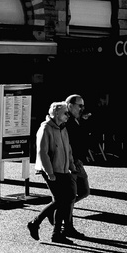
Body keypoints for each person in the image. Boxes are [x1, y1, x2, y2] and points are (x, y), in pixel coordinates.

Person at [26, 101, 79, 244]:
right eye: (65, 113)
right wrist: (50, 173)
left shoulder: (63, 128)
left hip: (63, 169)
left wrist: (72, 167)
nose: (68, 115)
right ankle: (44, 227)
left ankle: (46, 229)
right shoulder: (45, 128)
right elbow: (42, 153)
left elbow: (68, 149)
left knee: (67, 198)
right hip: (51, 170)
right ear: (56, 113)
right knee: (62, 200)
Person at [64, 94, 92, 233]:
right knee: (71, 194)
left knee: (84, 191)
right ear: (70, 105)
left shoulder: (77, 119)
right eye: (79, 105)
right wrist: (72, 161)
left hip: (78, 161)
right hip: (72, 162)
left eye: (83, 106)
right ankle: (66, 225)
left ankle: (57, 210)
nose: (82, 108)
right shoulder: (66, 121)